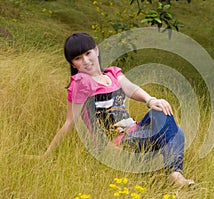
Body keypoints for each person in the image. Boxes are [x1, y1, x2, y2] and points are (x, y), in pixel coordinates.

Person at [38, 32, 194, 186]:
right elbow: (69, 123)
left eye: (88, 53)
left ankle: (175, 175)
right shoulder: (81, 83)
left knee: (163, 116)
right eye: (78, 58)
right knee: (175, 132)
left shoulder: (112, 73)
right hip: (115, 147)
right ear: (73, 65)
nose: (85, 60)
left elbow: (131, 89)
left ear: (96, 50)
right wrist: (46, 156)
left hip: (135, 134)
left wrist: (151, 100)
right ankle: (175, 174)